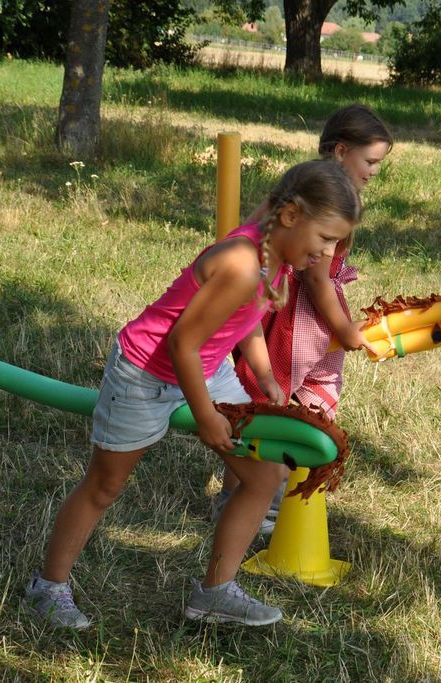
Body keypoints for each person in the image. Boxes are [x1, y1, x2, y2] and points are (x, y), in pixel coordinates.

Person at [24, 159, 362, 629]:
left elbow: (242, 321)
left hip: (208, 366)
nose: (327, 253)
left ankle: (215, 593)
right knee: (105, 485)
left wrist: (264, 375)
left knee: (264, 477)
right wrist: (206, 417)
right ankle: (48, 587)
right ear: (290, 216)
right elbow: (181, 343)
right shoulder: (243, 264)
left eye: (335, 243)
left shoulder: (276, 252)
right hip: (146, 371)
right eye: (325, 238)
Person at [215, 104, 393, 531]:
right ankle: (256, 504)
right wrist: (344, 328)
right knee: (274, 407)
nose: (373, 172)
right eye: (370, 161)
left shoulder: (308, 186)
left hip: (287, 309)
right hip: (295, 320)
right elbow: (316, 278)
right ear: (341, 150)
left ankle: (244, 498)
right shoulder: (326, 201)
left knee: (265, 404)